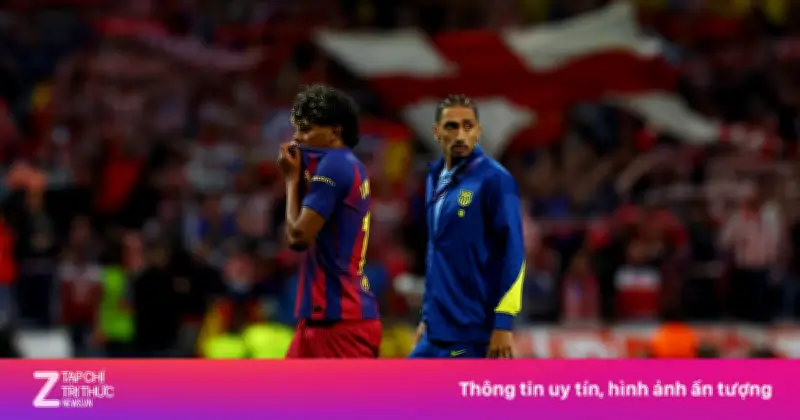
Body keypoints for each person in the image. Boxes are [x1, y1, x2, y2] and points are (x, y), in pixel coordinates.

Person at [409, 94, 525, 359]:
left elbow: (514, 252)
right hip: (437, 330)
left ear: (478, 131)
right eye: (452, 126)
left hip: (473, 332)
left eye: (468, 126)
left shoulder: (495, 180)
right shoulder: (434, 179)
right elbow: (437, 255)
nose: (460, 135)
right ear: (436, 132)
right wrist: (427, 317)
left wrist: (503, 323)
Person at [277, 85, 381, 358]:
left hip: (340, 324)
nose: (297, 137)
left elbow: (298, 237)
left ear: (335, 131)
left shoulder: (335, 166)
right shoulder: (347, 165)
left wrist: (290, 182)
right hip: (322, 320)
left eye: (306, 129)